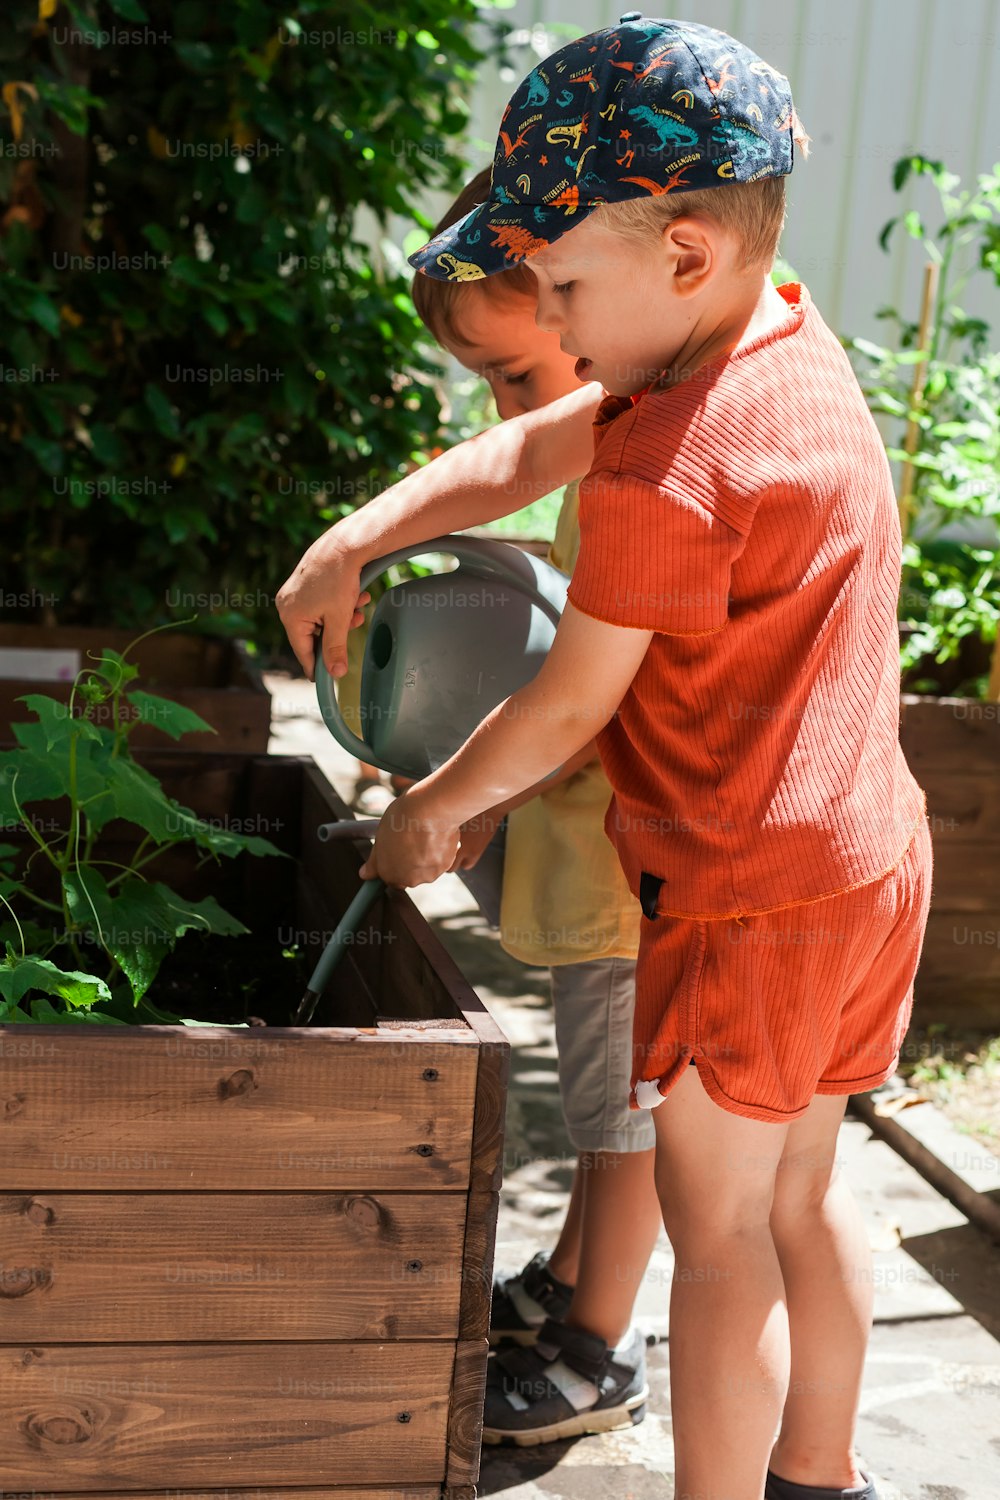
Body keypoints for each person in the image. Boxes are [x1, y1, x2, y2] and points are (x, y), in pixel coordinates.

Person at [278, 17, 932, 1500]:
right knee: (809, 1197)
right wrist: (357, 535)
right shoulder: (777, 338)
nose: (557, 332)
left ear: (685, 251)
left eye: (566, 287)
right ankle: (821, 1473)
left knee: (716, 1254)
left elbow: (571, 704)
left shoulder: (666, 465)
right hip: (866, 864)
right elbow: (531, 450)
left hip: (743, 893)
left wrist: (433, 816)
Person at [410, 167, 663, 1443]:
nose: (509, 410)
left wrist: (468, 789)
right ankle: (571, 1282)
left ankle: (594, 1353)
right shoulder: (606, 447)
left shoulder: (648, 462)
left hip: (636, 874)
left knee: (624, 1119)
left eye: (518, 376)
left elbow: (588, 698)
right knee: (596, 1095)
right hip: (598, 854)